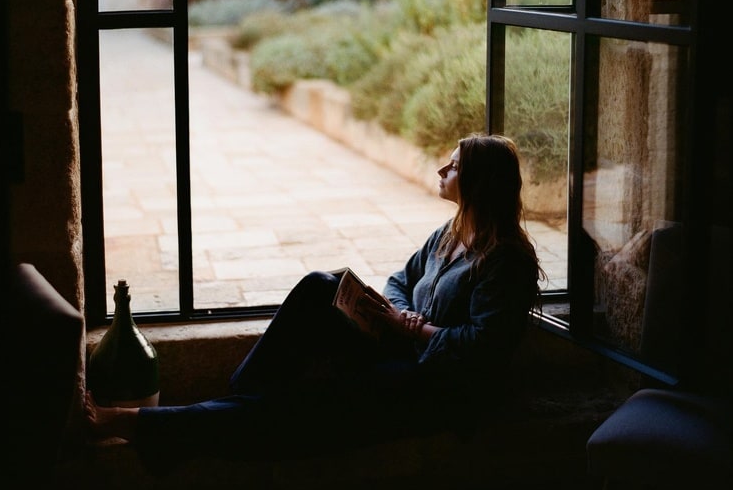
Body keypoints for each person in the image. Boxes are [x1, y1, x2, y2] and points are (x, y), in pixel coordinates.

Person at [86, 132, 545, 472]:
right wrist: (387, 312)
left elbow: (485, 347)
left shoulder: (505, 260)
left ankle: (143, 422)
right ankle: (243, 394)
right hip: (400, 348)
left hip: (437, 385)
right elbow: (399, 280)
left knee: (295, 408)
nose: (442, 172)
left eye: (454, 167)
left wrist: (412, 329)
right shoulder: (451, 235)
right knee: (320, 285)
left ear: (479, 184)